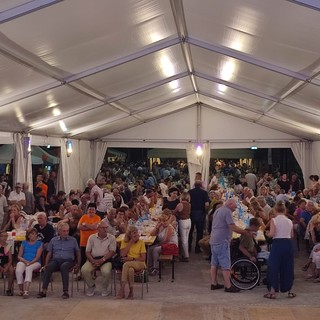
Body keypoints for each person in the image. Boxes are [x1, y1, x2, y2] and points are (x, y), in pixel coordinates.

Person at [210, 198, 252, 293]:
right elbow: (232, 227)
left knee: (214, 263)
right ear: (229, 204)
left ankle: (214, 283)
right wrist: (245, 232)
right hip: (222, 240)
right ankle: (228, 286)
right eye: (234, 206)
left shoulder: (219, 210)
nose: (235, 208)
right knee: (226, 264)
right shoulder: (227, 211)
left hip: (214, 239)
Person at [37, 222, 81, 299]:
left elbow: (78, 252)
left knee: (64, 267)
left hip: (68, 260)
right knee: (49, 267)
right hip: (56, 260)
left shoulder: (73, 240)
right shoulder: (53, 240)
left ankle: (65, 291)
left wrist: (78, 264)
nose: (66, 233)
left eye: (67, 231)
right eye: (64, 231)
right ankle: (44, 290)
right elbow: (49, 253)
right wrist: (46, 264)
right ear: (59, 231)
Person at [263, 201, 296, 299]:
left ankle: (272, 291)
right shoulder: (289, 221)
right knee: (288, 266)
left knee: (274, 266)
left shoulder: (274, 220)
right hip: (288, 244)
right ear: (285, 210)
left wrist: (268, 233)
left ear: (275, 210)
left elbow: (272, 234)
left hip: (278, 244)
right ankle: (289, 290)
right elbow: (292, 235)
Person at [81, 221, 116, 297]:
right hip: (93, 259)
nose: (106, 229)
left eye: (106, 227)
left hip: (106, 260)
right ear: (98, 229)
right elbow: (87, 251)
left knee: (106, 272)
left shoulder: (112, 238)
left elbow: (112, 252)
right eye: (103, 228)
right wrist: (92, 260)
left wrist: (102, 260)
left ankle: (104, 288)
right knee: (84, 270)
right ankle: (91, 286)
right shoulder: (92, 237)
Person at [116, 225, 146, 300]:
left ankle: (122, 288)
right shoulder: (124, 241)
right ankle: (131, 292)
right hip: (130, 265)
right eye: (133, 233)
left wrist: (131, 258)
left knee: (126, 264)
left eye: (136, 232)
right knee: (130, 270)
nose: (136, 234)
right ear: (129, 234)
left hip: (139, 263)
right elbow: (122, 254)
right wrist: (131, 242)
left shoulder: (141, 242)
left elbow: (143, 258)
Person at [15, 228, 43, 298]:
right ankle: (21, 290)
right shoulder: (24, 243)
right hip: (24, 261)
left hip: (35, 262)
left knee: (28, 268)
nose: (34, 235)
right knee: (18, 269)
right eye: (32, 234)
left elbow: (37, 257)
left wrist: (30, 263)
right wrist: (24, 261)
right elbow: (19, 256)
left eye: (35, 234)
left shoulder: (40, 244)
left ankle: (26, 291)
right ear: (28, 235)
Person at [188, 180, 210, 253]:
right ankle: (197, 248)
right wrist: (206, 212)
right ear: (201, 185)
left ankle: (188, 247)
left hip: (191, 213)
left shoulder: (190, 192)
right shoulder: (204, 193)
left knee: (190, 231)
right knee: (199, 232)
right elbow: (206, 204)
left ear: (194, 185)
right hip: (200, 213)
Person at [77, 202, 101, 267]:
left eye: (93, 210)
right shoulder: (83, 217)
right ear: (87, 210)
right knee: (83, 259)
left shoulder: (98, 218)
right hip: (83, 242)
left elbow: (95, 227)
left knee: (93, 259)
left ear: (95, 211)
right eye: (90, 209)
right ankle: (81, 274)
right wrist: (91, 227)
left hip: (94, 242)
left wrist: (86, 224)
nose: (91, 211)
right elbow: (79, 227)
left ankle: (93, 274)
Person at [175, 191, 191, 262]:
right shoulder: (189, 204)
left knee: (184, 240)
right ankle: (185, 254)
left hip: (182, 221)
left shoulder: (180, 204)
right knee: (186, 239)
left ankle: (186, 256)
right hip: (189, 221)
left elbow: (175, 211)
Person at [0, 230, 14, 296]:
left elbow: (10, 259)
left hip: (5, 262)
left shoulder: (8, 246)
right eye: (2, 236)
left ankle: (9, 289)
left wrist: (7, 267)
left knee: (11, 270)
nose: (4, 238)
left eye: (6, 236)